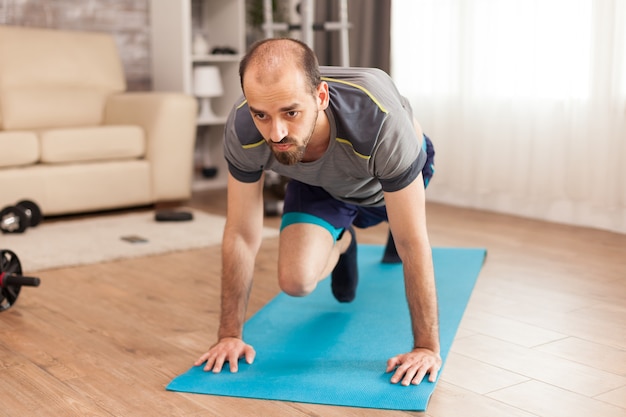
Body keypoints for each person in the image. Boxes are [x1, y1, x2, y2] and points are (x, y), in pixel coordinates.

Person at [194, 38, 440, 386]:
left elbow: (412, 241)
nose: (275, 132)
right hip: (318, 184)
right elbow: (240, 233)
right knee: (295, 282)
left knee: (400, 238)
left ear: (321, 97)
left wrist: (426, 347)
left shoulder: (378, 120)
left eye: (290, 113)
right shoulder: (243, 128)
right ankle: (342, 242)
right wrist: (228, 335)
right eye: (261, 114)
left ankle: (350, 231)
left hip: (382, 182)